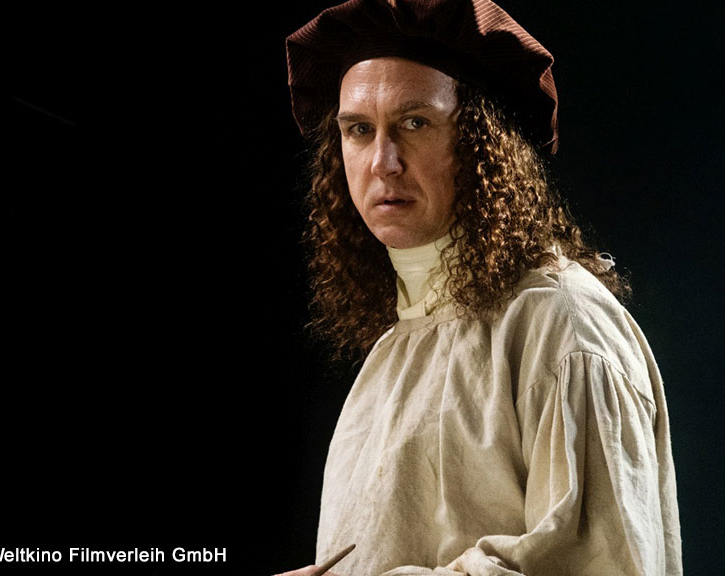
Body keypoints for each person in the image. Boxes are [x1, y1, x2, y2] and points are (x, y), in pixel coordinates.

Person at [279, 1, 682, 574]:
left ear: (482, 142)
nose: (383, 162)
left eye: (415, 123)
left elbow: (600, 563)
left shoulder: (560, 325)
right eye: (359, 130)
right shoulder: (395, 348)